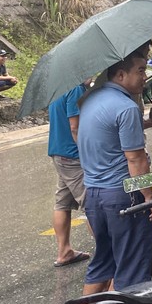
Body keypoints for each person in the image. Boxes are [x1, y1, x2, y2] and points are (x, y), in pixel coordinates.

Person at [78, 53, 152, 294]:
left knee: (102, 265)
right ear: (121, 75)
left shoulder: (90, 99)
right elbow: (135, 159)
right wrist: (148, 196)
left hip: (93, 194)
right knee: (131, 270)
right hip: (124, 195)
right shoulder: (126, 107)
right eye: (141, 71)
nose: (145, 77)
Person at [48, 82, 92, 268]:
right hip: (74, 155)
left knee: (62, 202)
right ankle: (109, 251)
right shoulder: (74, 88)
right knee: (91, 202)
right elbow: (75, 127)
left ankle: (64, 251)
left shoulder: (58, 87)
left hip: (59, 152)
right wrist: (88, 153)